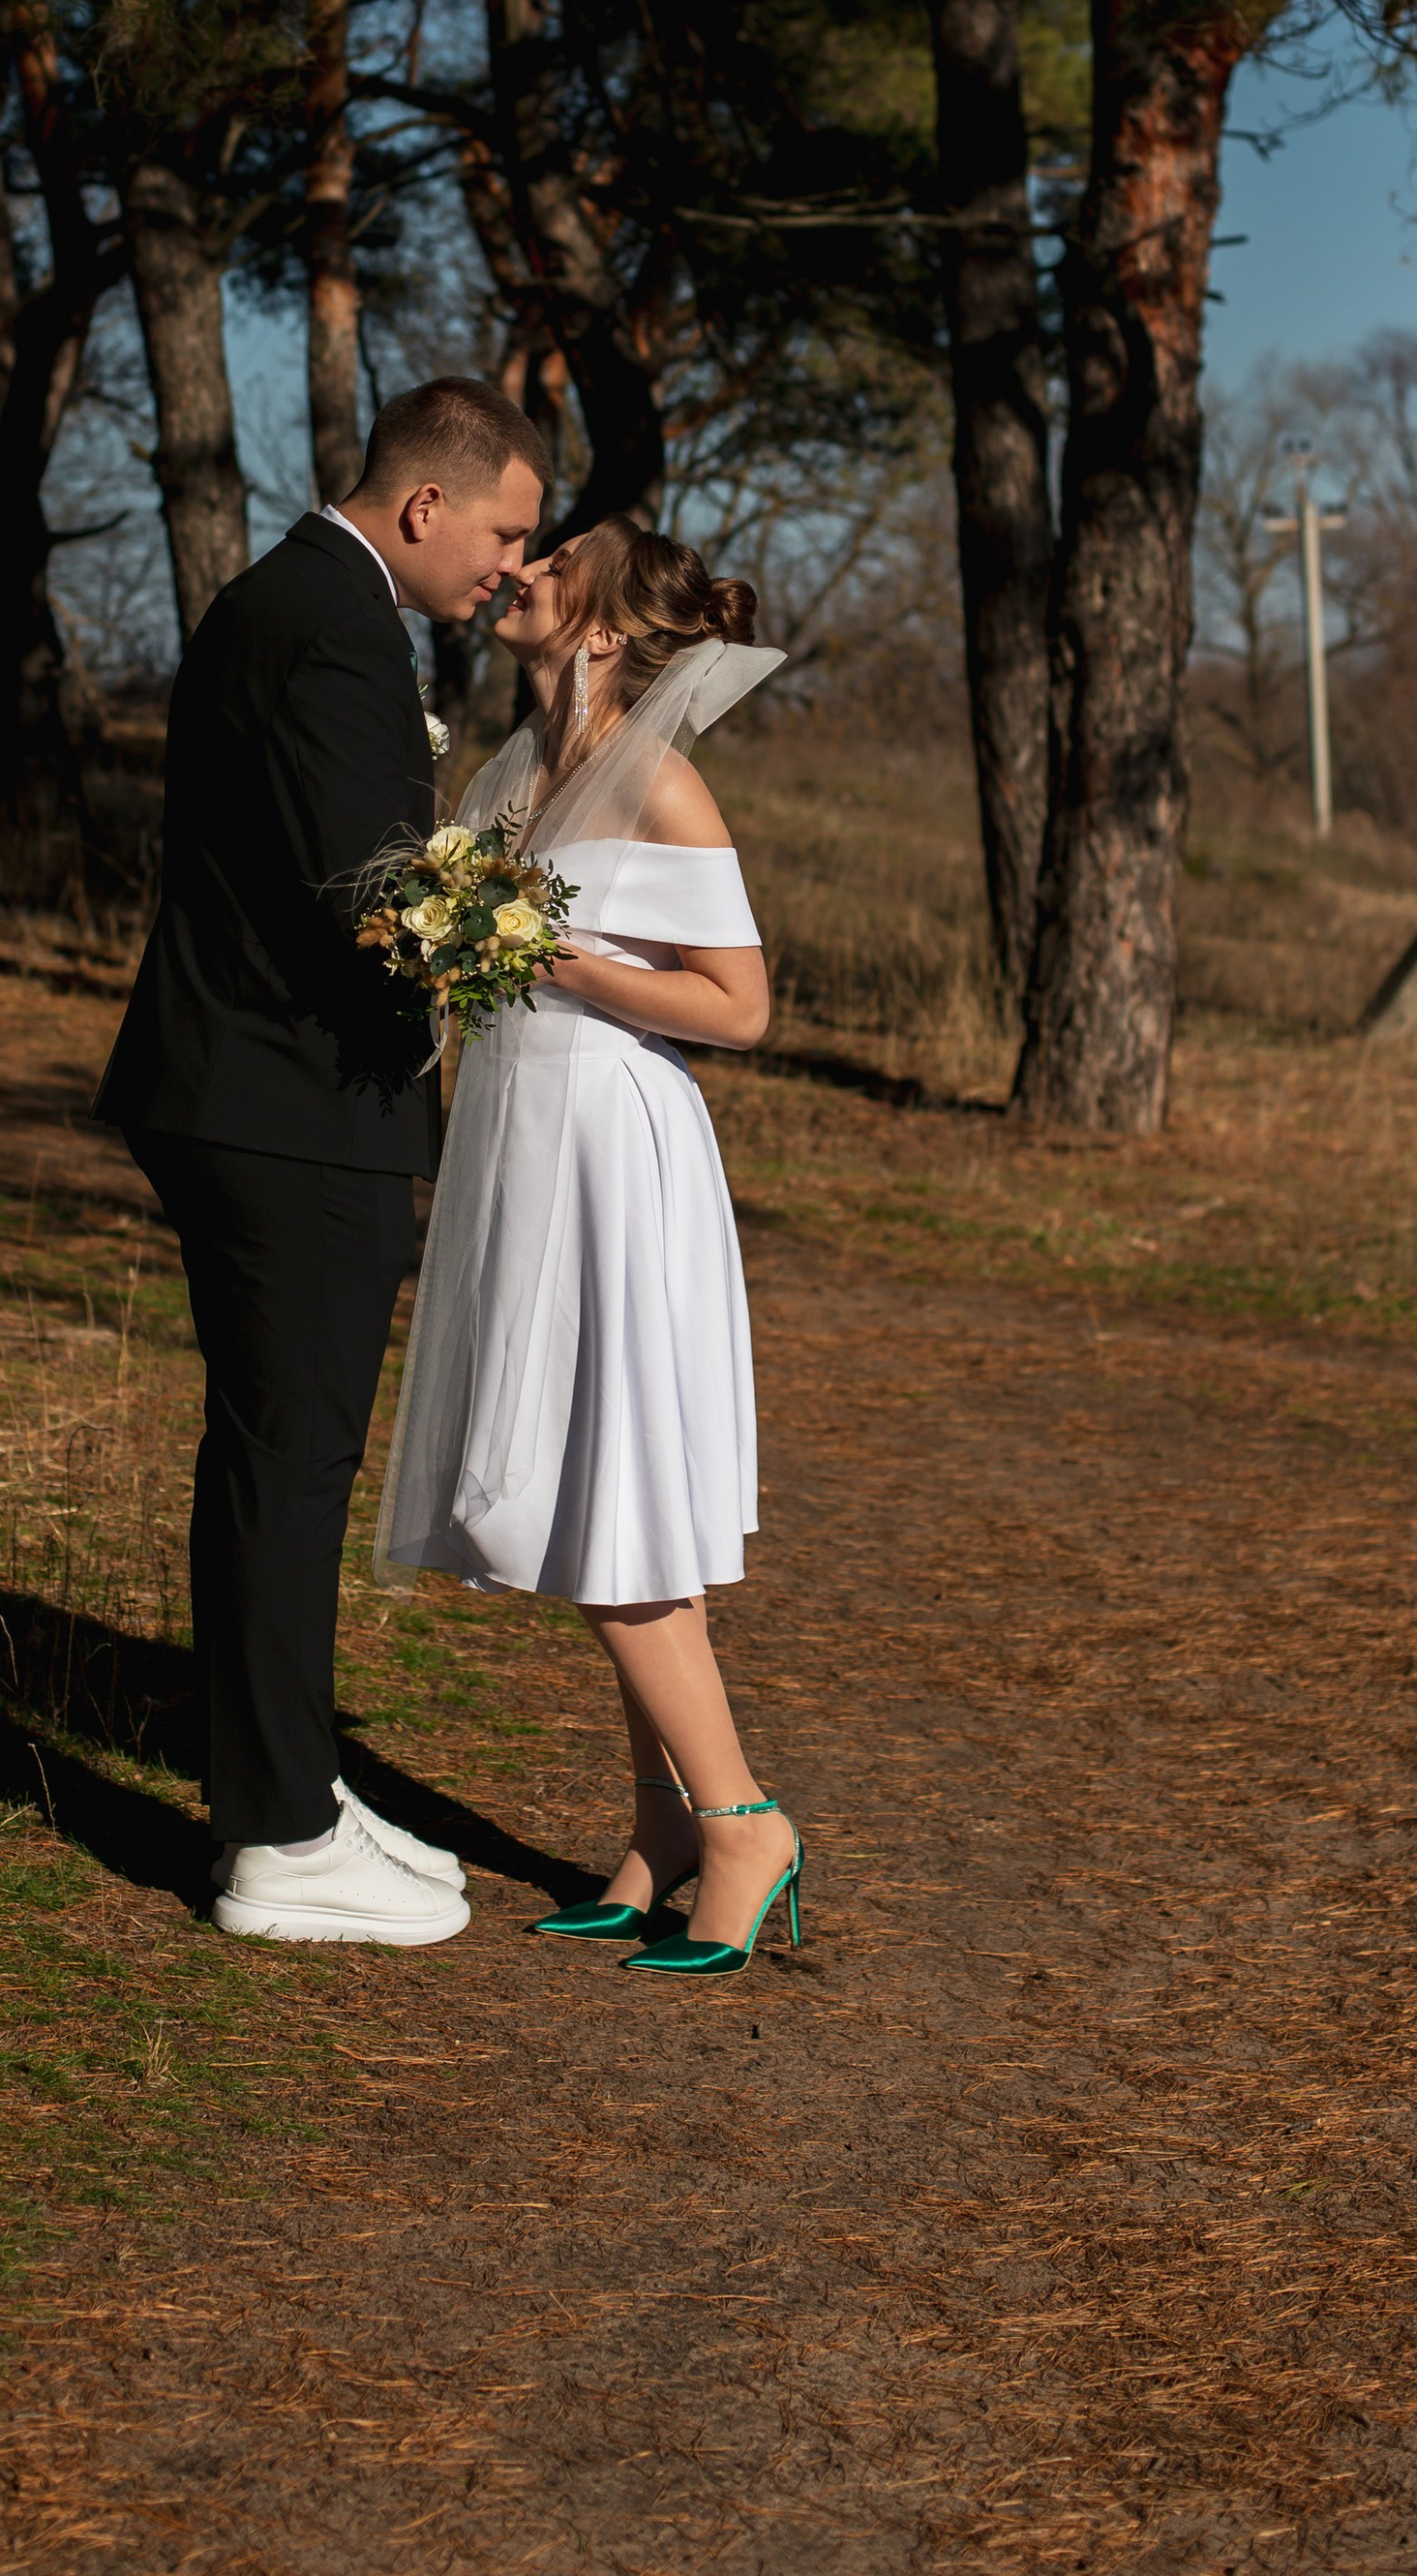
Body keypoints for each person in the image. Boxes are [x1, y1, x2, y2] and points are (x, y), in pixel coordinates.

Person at [95, 377, 549, 1946]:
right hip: (283, 1105)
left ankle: (289, 1785)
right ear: (428, 506)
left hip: (247, 1089)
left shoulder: (288, 602)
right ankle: (281, 1840)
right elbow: (375, 897)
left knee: (276, 1456)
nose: (505, 568)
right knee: (290, 1466)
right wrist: (497, 956)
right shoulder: (337, 625)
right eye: (503, 533)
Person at [376, 518, 802, 1980]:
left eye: (555, 565)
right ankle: (663, 1824)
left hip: (613, 1148)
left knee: (607, 1479)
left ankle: (745, 1820)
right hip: (516, 1134)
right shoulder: (515, 770)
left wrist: (541, 947)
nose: (524, 572)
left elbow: (740, 1008)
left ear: (609, 632)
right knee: (584, 1484)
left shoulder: (663, 785)